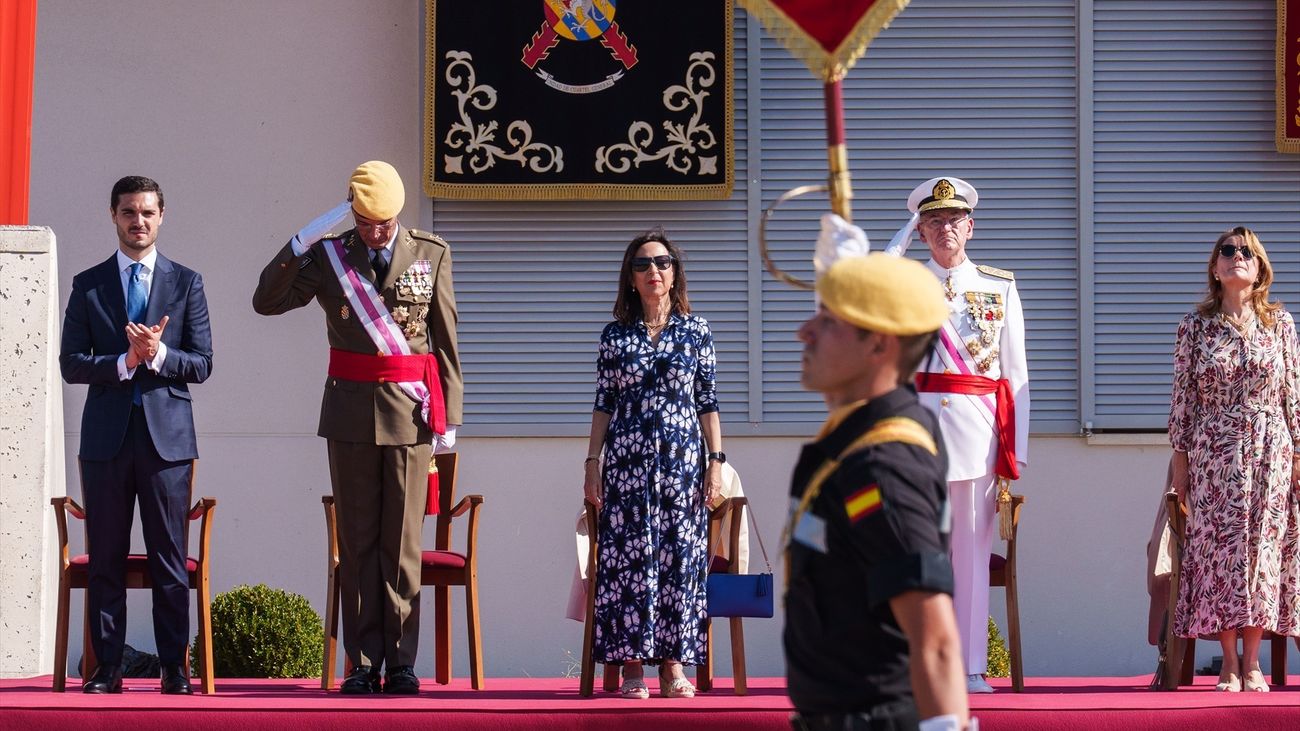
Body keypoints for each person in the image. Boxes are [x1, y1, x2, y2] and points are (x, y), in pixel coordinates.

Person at [252, 161, 462, 695]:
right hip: (349, 417)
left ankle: (402, 662)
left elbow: (445, 339)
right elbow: (266, 302)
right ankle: (364, 662)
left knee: (403, 546)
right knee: (359, 542)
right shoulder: (330, 256)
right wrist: (299, 242)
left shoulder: (430, 253)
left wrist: (451, 416)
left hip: (411, 417)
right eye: (366, 223)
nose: (376, 233)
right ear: (352, 212)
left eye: (384, 223)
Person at [785, 253, 972, 731]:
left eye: (828, 322)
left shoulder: (884, 463)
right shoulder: (857, 439)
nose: (804, 333)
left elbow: (935, 639)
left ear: (878, 345)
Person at [59, 175, 214, 695]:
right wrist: (125, 361)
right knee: (106, 557)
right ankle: (107, 668)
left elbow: (202, 363)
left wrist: (159, 354)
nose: (138, 221)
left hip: (167, 442)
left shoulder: (186, 282)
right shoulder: (88, 284)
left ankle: (174, 668)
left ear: (161, 216)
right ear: (113, 216)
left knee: (169, 559)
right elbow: (71, 363)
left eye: (147, 212)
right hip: (106, 441)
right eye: (129, 212)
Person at [888, 177, 1030, 694]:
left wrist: (1016, 451)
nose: (944, 228)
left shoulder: (1000, 286)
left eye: (953, 220)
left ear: (971, 227)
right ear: (920, 231)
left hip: (978, 436)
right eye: (932, 221)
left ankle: (969, 666)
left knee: (970, 557)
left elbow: (1015, 373)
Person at [582, 227, 723, 699]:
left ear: (675, 273)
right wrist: (592, 462)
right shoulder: (614, 335)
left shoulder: (696, 331)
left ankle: (673, 666)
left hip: (682, 463)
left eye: (662, 263)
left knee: (679, 558)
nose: (653, 271)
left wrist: (716, 461)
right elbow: (604, 402)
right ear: (630, 277)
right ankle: (632, 669)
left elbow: (707, 401)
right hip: (626, 465)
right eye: (642, 264)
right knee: (630, 559)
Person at [1169, 226, 1300, 693]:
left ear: (1260, 266)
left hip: (1271, 450)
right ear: (1215, 267)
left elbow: (1293, 395)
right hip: (1214, 452)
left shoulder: (1280, 324)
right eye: (1227, 251)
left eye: (1246, 251)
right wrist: (1180, 468)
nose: (1236, 256)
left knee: (1263, 552)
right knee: (1220, 553)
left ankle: (1254, 661)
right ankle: (1228, 660)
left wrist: (1298, 456)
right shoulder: (1195, 326)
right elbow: (1183, 401)